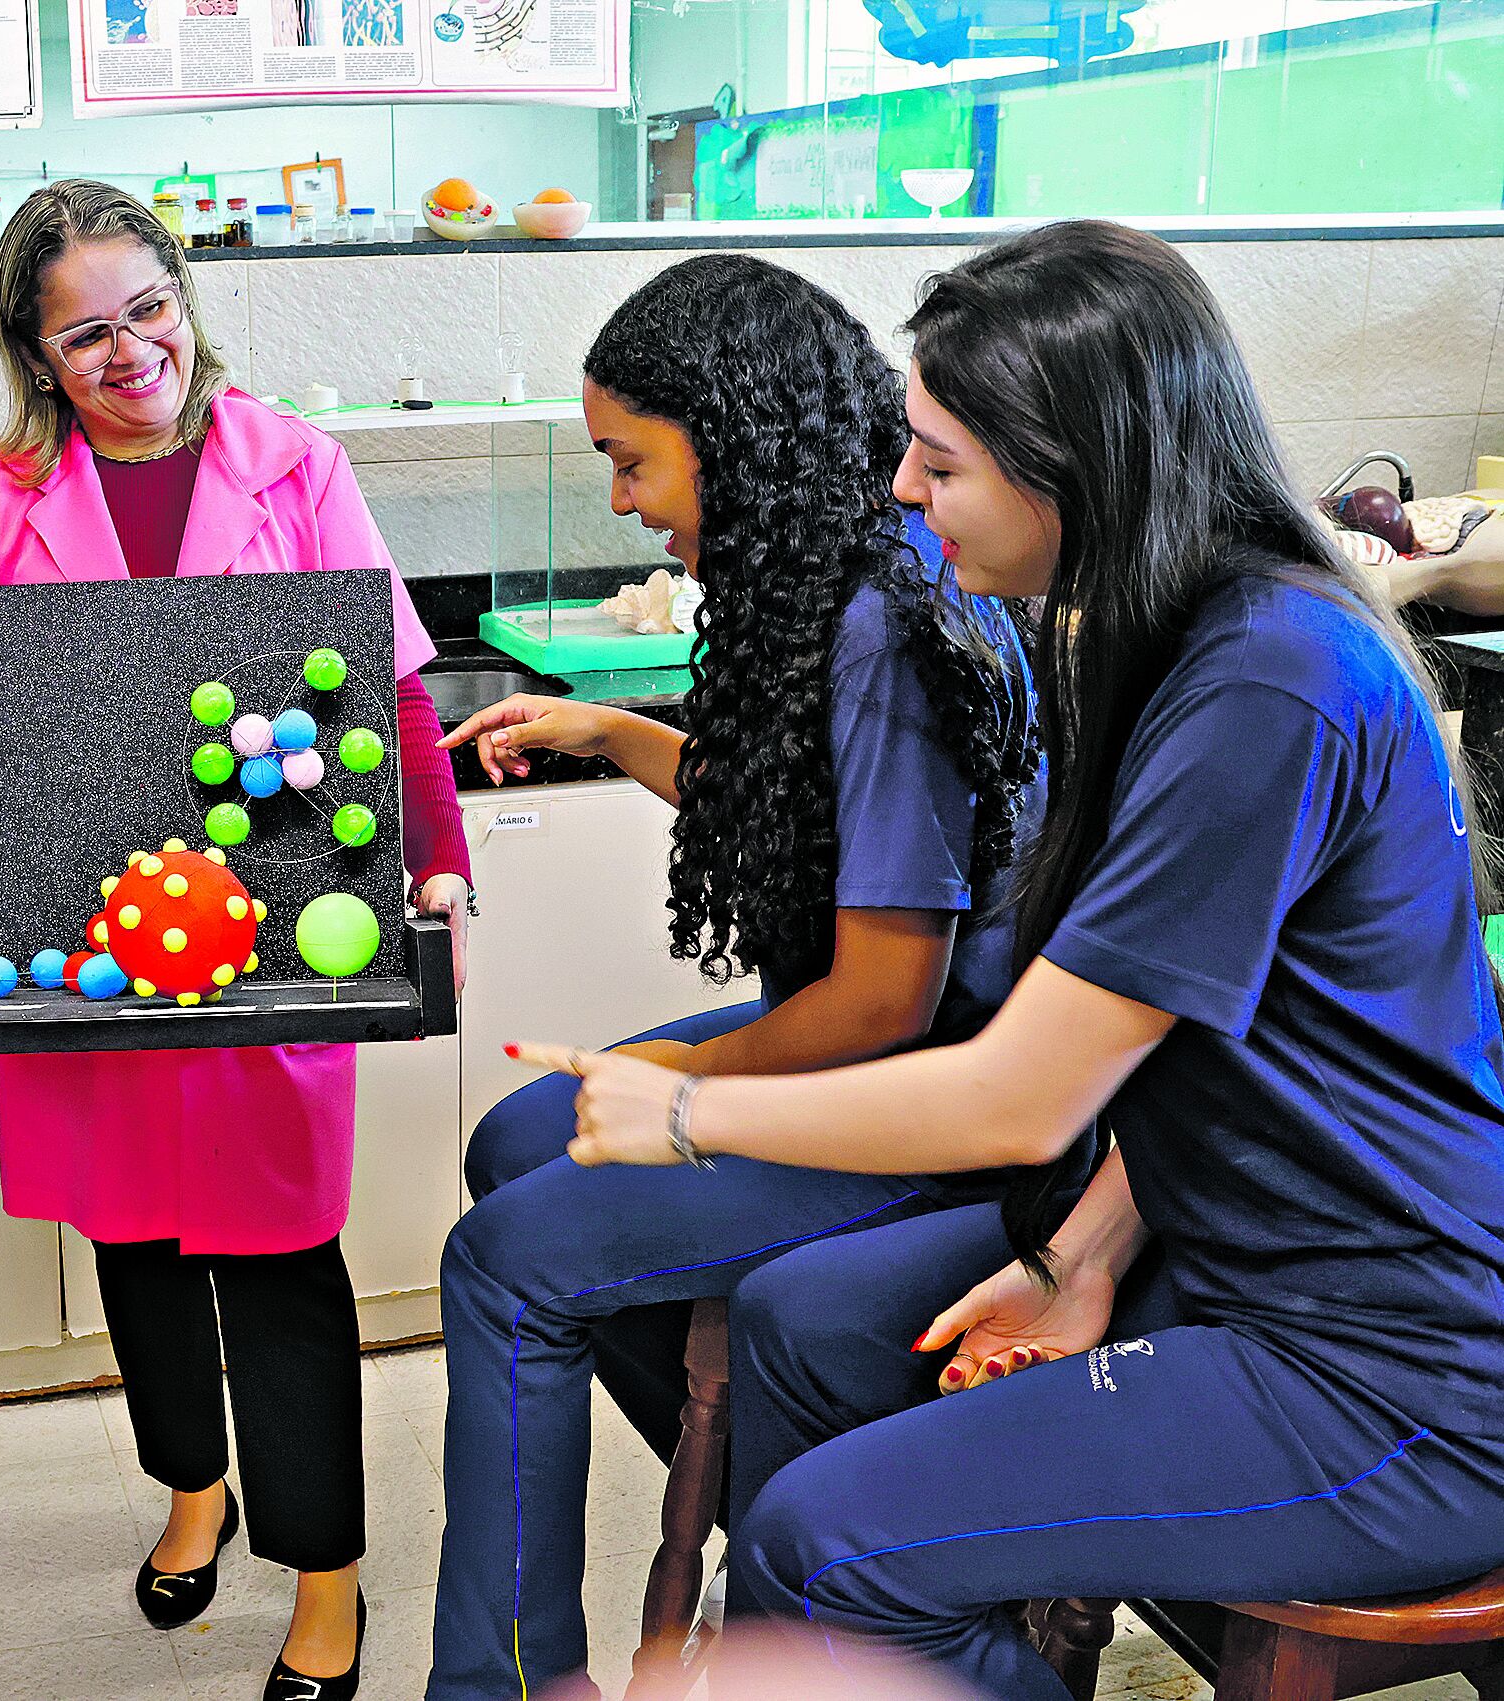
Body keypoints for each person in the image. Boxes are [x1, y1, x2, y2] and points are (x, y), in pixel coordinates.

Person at [517, 220, 1504, 1701]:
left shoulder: (1269, 678)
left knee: (822, 1542)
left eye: (942, 460)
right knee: (802, 1336)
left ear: (1078, 464)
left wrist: (684, 1105)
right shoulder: (1162, 632)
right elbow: (1175, 1038)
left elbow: (1026, 1096)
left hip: (1388, 1367)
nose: (905, 488)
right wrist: (1076, 1256)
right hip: (1220, 1256)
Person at [0, 177, 471, 1701]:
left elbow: (390, 681)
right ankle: (195, 1485)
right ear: (36, 355)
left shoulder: (295, 464)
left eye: (148, 311)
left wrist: (437, 856)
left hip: (268, 932)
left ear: (185, 300)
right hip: (79, 937)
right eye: (84, 336)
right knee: (133, 1241)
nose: (130, 354)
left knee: (274, 1260)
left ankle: (326, 1579)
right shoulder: (1, 500)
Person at [421, 253, 1043, 1701]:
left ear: (739, 434)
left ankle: (508, 1678)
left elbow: (886, 998)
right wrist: (604, 729)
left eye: (635, 465)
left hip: (941, 1097)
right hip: (881, 1049)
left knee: (507, 1264)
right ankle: (749, 1450)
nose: (627, 501)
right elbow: (788, 802)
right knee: (514, 1142)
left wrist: (675, 1085)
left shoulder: (889, 625)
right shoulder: (823, 591)